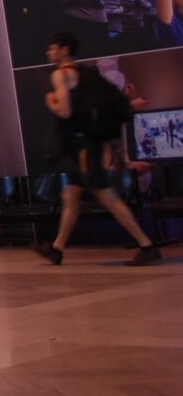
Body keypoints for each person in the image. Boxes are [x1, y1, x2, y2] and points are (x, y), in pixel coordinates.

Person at [36, 32, 160, 266]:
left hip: (82, 147)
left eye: (52, 48)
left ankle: (146, 245)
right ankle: (57, 248)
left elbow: (65, 112)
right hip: (86, 145)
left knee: (106, 195)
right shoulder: (85, 74)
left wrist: (51, 102)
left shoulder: (61, 75)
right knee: (71, 195)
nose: (49, 52)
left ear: (64, 50)